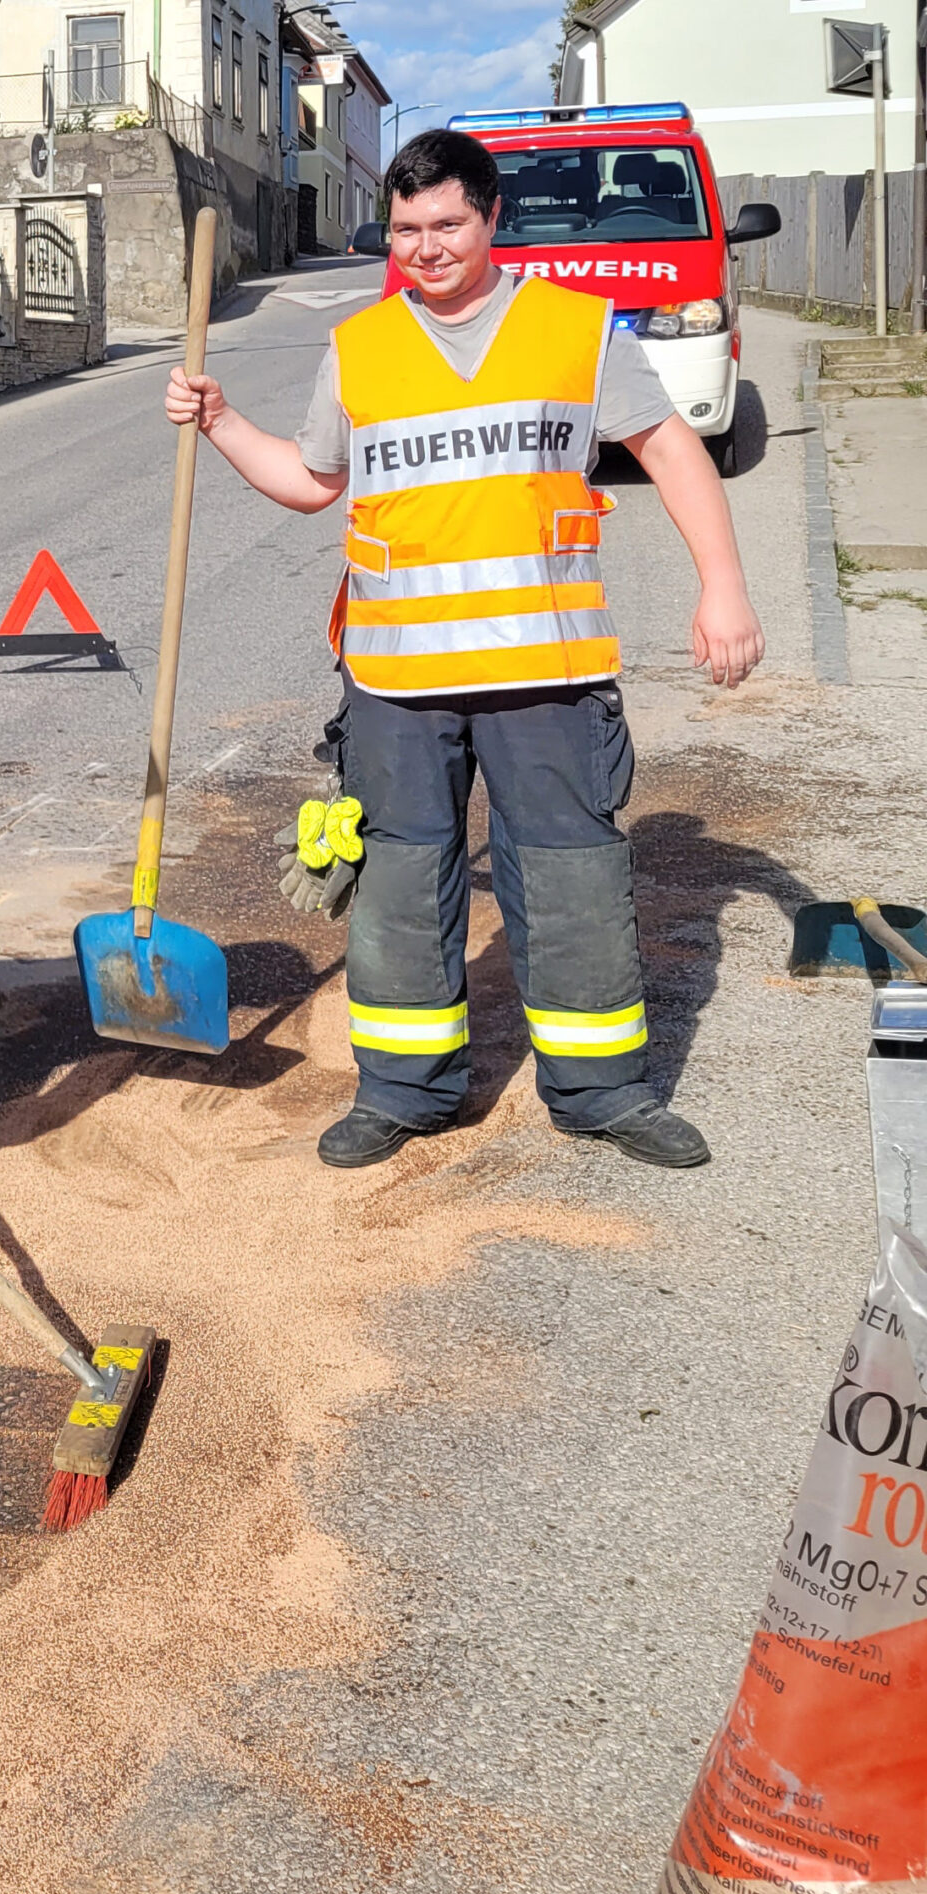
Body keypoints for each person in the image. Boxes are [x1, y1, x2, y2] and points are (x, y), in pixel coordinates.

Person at [164, 129, 764, 1170]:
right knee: (398, 887)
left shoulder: (574, 331)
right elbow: (314, 483)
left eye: (446, 223)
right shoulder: (359, 347)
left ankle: (602, 1092)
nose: (426, 246)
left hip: (547, 674)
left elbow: (669, 447)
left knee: (570, 876)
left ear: (491, 219)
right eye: (406, 228)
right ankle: (403, 1090)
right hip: (397, 683)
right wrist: (219, 424)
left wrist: (721, 587)